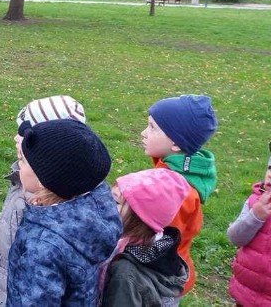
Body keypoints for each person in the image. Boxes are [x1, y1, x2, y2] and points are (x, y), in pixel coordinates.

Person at [0, 95, 87, 307]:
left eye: (24, 133)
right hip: (0, 278)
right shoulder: (28, 177)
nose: (16, 137)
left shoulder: (42, 203)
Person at [6, 119, 122, 306]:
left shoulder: (43, 246)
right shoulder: (98, 203)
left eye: (22, 161)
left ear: (43, 181)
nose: (19, 166)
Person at [142, 94, 217, 296]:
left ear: (176, 144)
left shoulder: (173, 191)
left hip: (159, 281)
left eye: (152, 127)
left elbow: (157, 243)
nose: (143, 133)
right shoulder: (180, 171)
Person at [101, 168, 190, 307]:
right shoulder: (159, 246)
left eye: (116, 202)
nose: (105, 204)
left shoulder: (125, 273)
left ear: (139, 218)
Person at [227, 145, 271, 306]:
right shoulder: (255, 201)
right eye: (270, 167)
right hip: (246, 291)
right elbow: (235, 238)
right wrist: (255, 216)